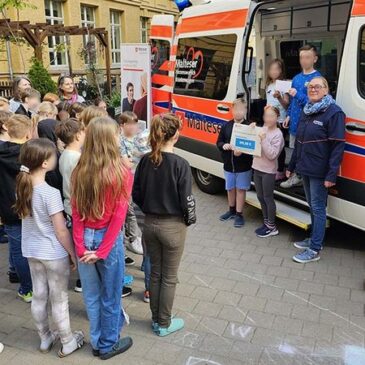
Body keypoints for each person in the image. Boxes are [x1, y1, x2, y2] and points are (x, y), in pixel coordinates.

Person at [14, 138, 85, 356]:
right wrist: (72, 253)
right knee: (59, 298)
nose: (57, 156)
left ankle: (45, 338)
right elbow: (61, 230)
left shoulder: (22, 188)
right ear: (44, 163)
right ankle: (67, 340)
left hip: (31, 250)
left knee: (39, 294)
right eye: (54, 155)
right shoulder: (50, 193)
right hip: (53, 253)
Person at [71, 116, 133, 360]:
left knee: (92, 296)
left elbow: (75, 213)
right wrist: (104, 250)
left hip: (84, 239)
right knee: (111, 295)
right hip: (107, 239)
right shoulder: (122, 172)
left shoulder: (79, 171)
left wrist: (80, 246)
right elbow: (119, 216)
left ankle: (97, 341)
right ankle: (107, 345)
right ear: (110, 139)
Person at [133, 113, 196, 337]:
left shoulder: (144, 160)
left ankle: (155, 319)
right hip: (173, 226)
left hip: (149, 224)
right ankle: (164, 322)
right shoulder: (181, 164)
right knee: (169, 277)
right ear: (176, 135)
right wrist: (190, 219)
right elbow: (187, 199)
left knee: (156, 274)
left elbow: (136, 194)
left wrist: (149, 210)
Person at [288, 77, 345, 263]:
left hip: (320, 170)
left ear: (326, 90)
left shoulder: (334, 113)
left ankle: (314, 249)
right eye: (310, 87)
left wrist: (331, 174)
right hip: (305, 166)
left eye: (317, 86)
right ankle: (313, 238)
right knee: (312, 205)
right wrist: (291, 165)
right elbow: (299, 141)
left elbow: (337, 146)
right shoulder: (307, 110)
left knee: (319, 207)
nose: (313, 89)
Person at [0, 115, 33, 302]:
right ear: (28, 132)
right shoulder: (30, 154)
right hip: (30, 205)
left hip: (8, 206)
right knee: (31, 247)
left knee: (17, 249)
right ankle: (32, 284)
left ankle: (26, 288)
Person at [119, 111, 151, 301]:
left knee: (134, 218)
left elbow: (133, 162)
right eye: (129, 123)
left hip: (137, 184)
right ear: (122, 125)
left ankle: (136, 243)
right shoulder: (119, 141)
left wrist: (135, 160)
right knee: (129, 216)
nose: (133, 127)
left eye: (135, 123)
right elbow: (127, 163)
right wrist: (135, 160)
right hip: (127, 185)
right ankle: (132, 242)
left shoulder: (140, 138)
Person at [281, 44, 322, 188]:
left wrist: (297, 94)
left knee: (305, 153)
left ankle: (301, 179)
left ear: (315, 59)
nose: (304, 60)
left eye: (307, 57)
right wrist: (288, 115)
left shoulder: (317, 78)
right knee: (294, 152)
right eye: (301, 57)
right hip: (295, 123)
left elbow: (315, 103)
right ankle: (295, 176)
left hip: (309, 124)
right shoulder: (296, 78)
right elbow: (292, 102)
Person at [56, 118, 86, 293]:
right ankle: (83, 280)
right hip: (78, 205)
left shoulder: (64, 154)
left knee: (77, 241)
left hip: (69, 204)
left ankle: (82, 277)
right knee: (81, 242)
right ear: (77, 135)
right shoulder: (78, 158)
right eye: (82, 131)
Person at [216, 98, 253, 228]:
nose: (238, 112)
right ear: (232, 110)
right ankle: (231, 210)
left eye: (241, 109)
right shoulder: (226, 126)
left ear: (245, 111)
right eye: (236, 109)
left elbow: (252, 147)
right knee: (230, 188)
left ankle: (239, 214)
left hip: (243, 166)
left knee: (241, 190)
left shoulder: (249, 127)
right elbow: (218, 142)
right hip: (228, 165)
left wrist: (242, 152)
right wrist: (224, 145)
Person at [253, 106, 284, 238]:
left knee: (268, 198)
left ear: (277, 117)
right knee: (260, 196)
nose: (268, 119)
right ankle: (266, 223)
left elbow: (272, 155)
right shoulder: (262, 129)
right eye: (266, 116)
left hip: (268, 171)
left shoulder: (278, 134)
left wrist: (264, 139)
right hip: (257, 167)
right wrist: (251, 130)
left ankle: (272, 226)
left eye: (271, 116)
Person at [265, 59, 289, 180]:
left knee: (279, 146)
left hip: (281, 120)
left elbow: (286, 105)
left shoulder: (284, 84)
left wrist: (279, 97)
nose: (274, 72)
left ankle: (280, 170)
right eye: (271, 69)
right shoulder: (268, 85)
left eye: (277, 69)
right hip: (269, 120)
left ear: (281, 70)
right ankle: (271, 168)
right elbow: (268, 101)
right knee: (269, 144)